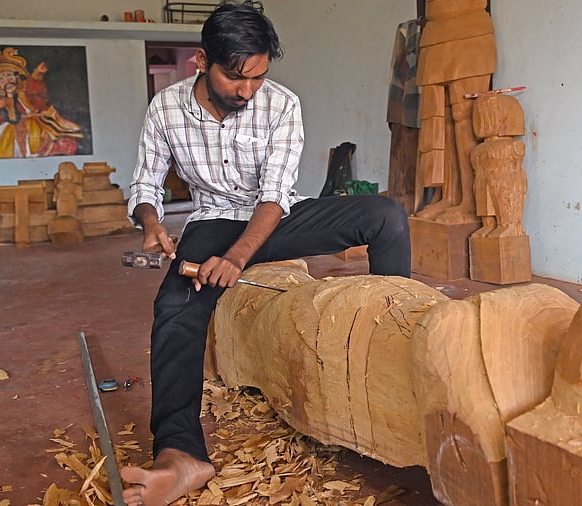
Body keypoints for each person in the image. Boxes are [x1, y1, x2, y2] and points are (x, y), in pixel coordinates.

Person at [121, 2, 411, 504]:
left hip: (276, 216)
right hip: (213, 220)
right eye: (236, 78)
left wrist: (236, 261)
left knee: (385, 215)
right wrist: (151, 225)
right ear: (202, 62)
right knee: (174, 309)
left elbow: (276, 195)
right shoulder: (165, 109)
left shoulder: (282, 104)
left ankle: (399, 355)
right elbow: (145, 185)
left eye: (258, 77)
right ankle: (181, 453)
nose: (248, 90)